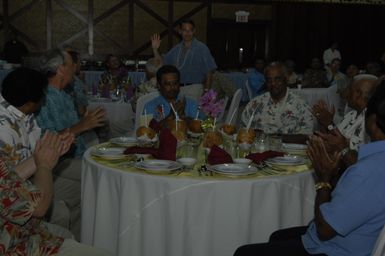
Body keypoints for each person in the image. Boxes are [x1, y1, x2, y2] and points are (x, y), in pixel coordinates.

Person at [234, 81, 385, 256]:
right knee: (277, 236)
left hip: (333, 250)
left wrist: (323, 180)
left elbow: (324, 230)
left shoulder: (369, 170)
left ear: (372, 121)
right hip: (350, 238)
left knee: (243, 252)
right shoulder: (373, 163)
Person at [0, 131, 110, 255]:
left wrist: (44, 154)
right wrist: (44, 165)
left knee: (67, 234)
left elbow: (7, 179)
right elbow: (38, 207)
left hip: (21, 232)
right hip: (15, 246)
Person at [36, 48, 106, 239]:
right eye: (71, 64)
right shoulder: (43, 99)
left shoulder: (65, 96)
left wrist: (84, 125)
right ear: (60, 69)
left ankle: (81, 241)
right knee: (102, 176)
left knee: (98, 175)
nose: (75, 68)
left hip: (75, 156)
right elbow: (45, 141)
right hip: (58, 163)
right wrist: (81, 126)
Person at [312, 74, 378, 167]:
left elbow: (364, 162)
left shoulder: (371, 122)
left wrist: (343, 148)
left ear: (358, 94)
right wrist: (327, 123)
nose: (346, 93)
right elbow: (335, 140)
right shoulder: (352, 114)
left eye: (349, 89)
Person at [241, 62, 314, 134]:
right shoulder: (255, 104)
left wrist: (274, 138)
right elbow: (242, 130)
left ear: (286, 79)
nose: (273, 83)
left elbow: (307, 136)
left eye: (277, 79)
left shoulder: (300, 104)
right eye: (269, 80)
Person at [151, 19, 217, 89]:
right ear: (180, 31)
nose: (187, 33)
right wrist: (155, 50)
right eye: (184, 30)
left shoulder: (202, 48)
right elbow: (161, 64)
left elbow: (209, 72)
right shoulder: (176, 49)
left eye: (190, 30)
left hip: (195, 88)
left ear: (194, 31)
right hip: (177, 89)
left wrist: (207, 91)